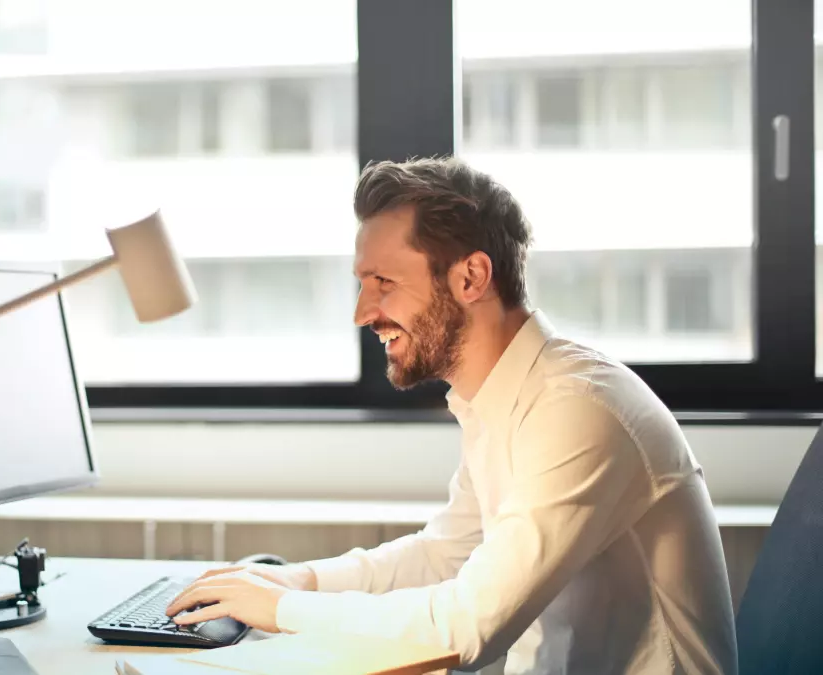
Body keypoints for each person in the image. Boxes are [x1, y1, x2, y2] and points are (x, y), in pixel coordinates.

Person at [165, 157, 738, 674]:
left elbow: (468, 629)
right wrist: (300, 580)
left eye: (383, 283)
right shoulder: (501, 399)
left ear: (471, 278)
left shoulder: (579, 410)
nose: (364, 312)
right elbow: (445, 555)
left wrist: (282, 609)